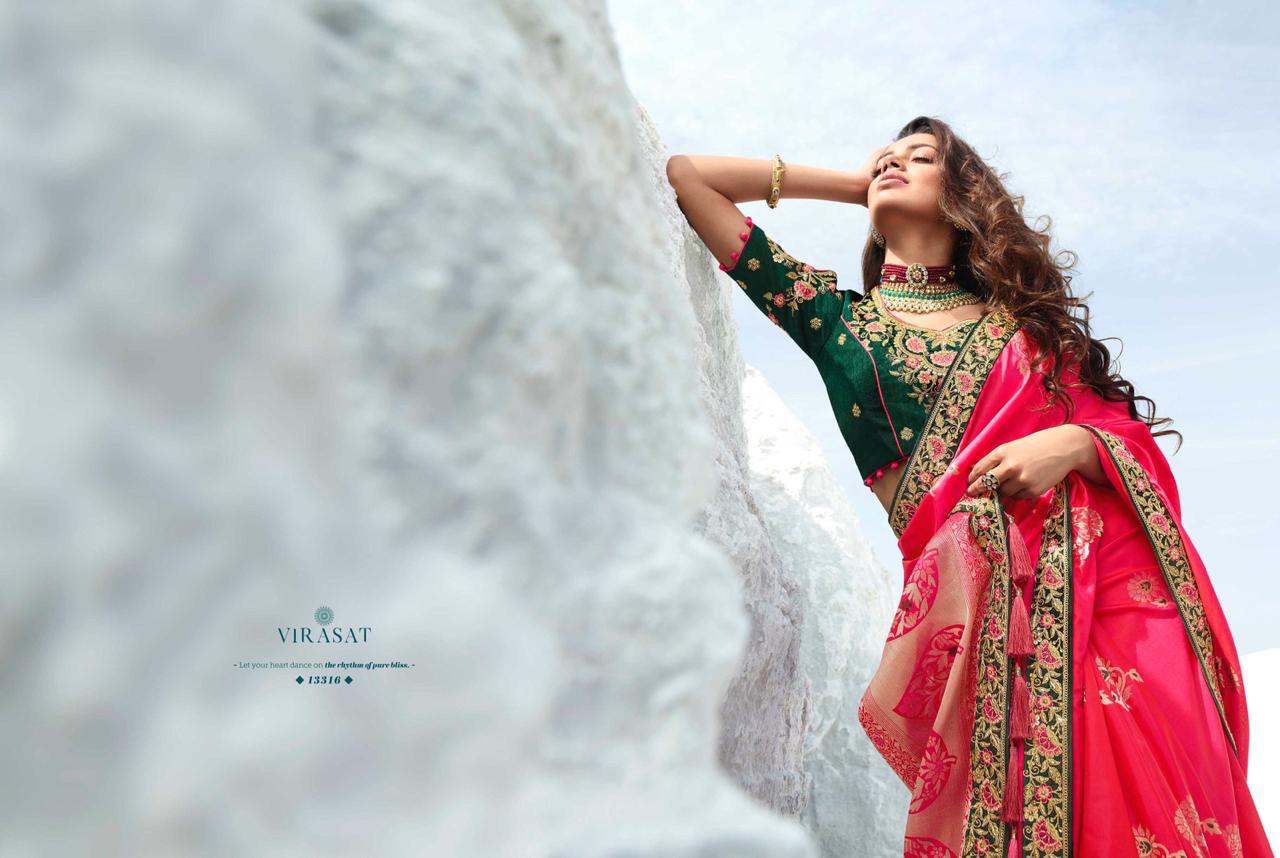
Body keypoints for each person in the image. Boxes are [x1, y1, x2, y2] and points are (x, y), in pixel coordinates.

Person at [665, 115, 1273, 858]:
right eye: (884, 158)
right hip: (973, 617)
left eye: (920, 157)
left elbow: (1132, 445)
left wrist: (1074, 443)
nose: (893, 163)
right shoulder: (838, 323)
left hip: (1105, 598)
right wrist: (856, 186)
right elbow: (690, 177)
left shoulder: (1030, 336)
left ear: (961, 196)